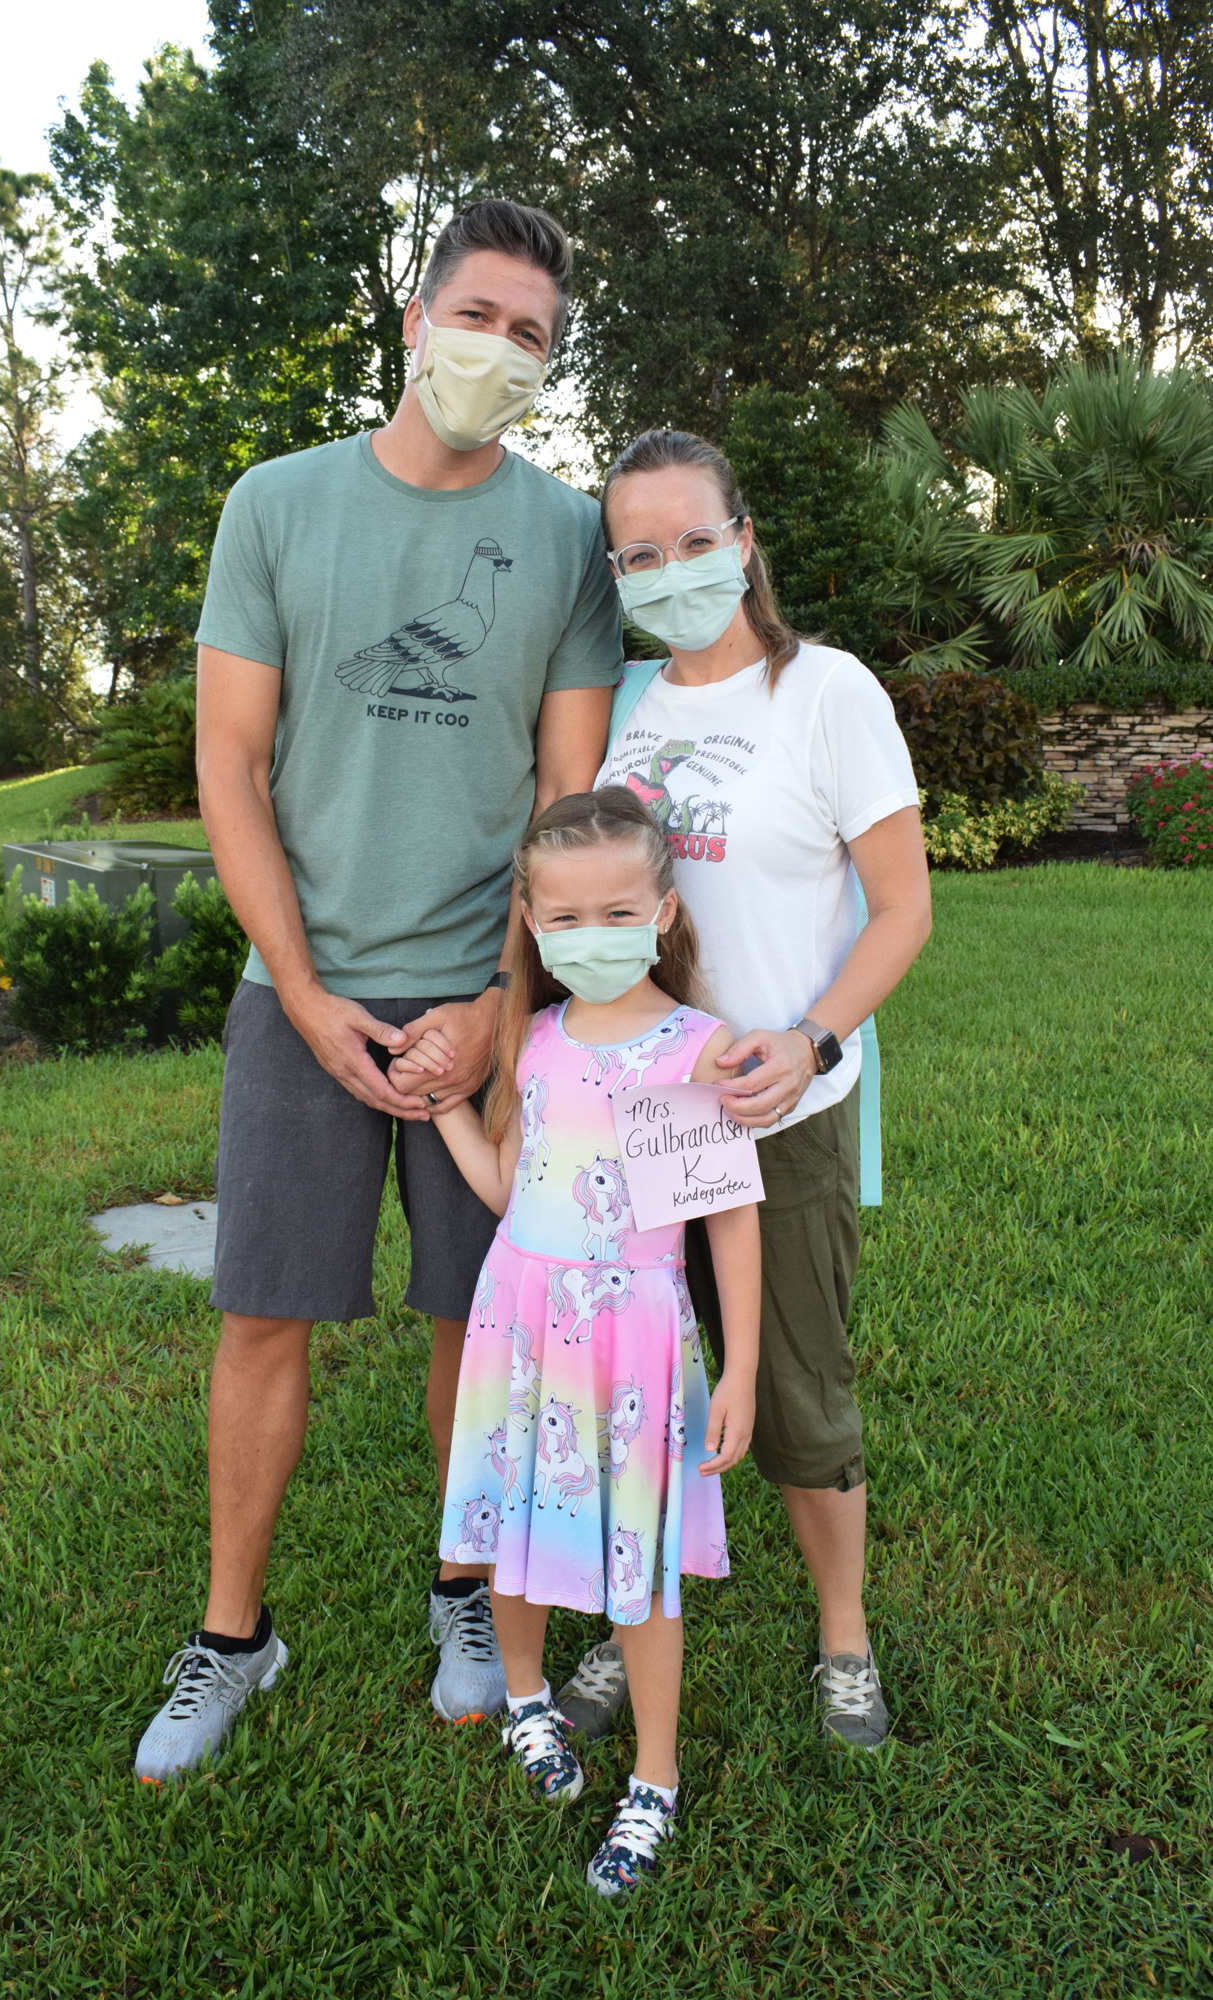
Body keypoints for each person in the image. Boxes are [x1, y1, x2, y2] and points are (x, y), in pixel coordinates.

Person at [133, 200, 624, 1784]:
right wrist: (299, 987)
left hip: (487, 1002)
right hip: (306, 992)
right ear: (417, 324)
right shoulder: (276, 506)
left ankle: (464, 1598)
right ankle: (230, 1637)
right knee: (264, 1314)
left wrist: (498, 1009)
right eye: (478, 315)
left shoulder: (565, 539)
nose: (500, 350)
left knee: (477, 1322)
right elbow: (229, 765)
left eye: (532, 335)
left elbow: (567, 802)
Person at [572, 428, 932, 1752]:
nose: (670, 570)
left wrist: (813, 1041)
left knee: (794, 1388)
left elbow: (901, 911)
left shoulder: (826, 694)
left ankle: (841, 1632)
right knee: (641, 1388)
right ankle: (635, 1615)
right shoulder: (610, 708)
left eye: (692, 541)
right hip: (634, 1111)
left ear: (743, 543)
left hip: (778, 1109)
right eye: (640, 553)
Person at [411, 787, 759, 1895]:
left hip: (639, 1333)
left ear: (662, 910)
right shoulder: (534, 1037)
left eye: (617, 913)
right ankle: (526, 1698)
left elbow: (726, 1215)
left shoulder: (700, 1048)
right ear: (530, 917)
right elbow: (514, 1185)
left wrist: (741, 1363)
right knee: (511, 1521)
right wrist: (446, 1113)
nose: (589, 937)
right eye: (563, 918)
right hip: (521, 1316)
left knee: (640, 1565)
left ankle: (653, 1775)